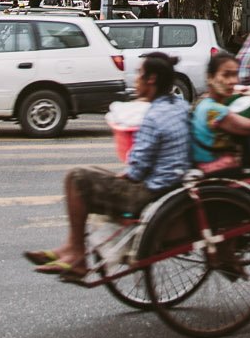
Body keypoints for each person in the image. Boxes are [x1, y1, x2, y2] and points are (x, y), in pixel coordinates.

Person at [25, 51, 189, 279]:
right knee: (89, 173)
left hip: (150, 193)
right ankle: (69, 248)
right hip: (170, 185)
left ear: (151, 80)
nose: (135, 79)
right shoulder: (178, 105)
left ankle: (76, 254)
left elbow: (138, 169)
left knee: (76, 178)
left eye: (139, 74)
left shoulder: (153, 116)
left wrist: (124, 176)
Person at [191, 53, 250, 169]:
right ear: (210, 78)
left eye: (235, 75)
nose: (233, 81)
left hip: (203, 162)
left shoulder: (203, 102)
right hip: (216, 166)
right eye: (226, 75)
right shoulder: (215, 110)